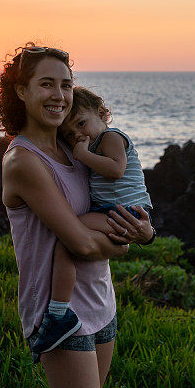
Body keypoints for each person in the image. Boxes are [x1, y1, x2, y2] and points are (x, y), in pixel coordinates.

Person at [0, 44, 155, 388]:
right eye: (47, 84)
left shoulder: (74, 148)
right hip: (61, 317)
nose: (59, 95)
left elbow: (113, 204)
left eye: (66, 85)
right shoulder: (24, 161)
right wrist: (125, 243)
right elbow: (80, 243)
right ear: (22, 91)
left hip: (100, 301)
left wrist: (147, 232)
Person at [38, 86, 153, 344]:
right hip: (113, 210)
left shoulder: (111, 138)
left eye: (81, 124)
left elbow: (116, 170)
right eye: (69, 134)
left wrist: (83, 155)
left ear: (102, 114)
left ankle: (58, 311)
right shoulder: (91, 145)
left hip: (124, 210)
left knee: (69, 236)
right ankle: (61, 307)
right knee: (71, 238)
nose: (78, 135)